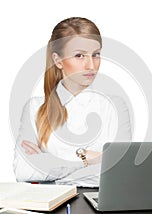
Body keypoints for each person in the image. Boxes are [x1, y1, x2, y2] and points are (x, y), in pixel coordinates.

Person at [13, 17, 132, 187]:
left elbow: (121, 170)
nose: (91, 65)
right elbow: (23, 171)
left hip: (99, 203)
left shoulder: (115, 106)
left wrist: (50, 167)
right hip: (51, 204)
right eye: (79, 55)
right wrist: (86, 157)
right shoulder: (34, 108)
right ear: (58, 60)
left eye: (96, 54)